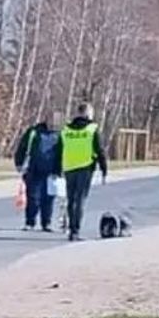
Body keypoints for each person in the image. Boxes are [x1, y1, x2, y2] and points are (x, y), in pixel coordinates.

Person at [58, 101, 108, 241]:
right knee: (80, 200)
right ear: (88, 113)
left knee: (71, 199)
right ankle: (75, 230)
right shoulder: (92, 129)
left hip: (69, 168)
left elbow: (58, 149)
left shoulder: (66, 130)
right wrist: (104, 168)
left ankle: (71, 229)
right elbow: (100, 150)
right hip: (85, 167)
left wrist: (57, 167)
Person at [12, 110, 63, 232]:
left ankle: (46, 223)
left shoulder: (60, 135)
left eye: (56, 121)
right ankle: (30, 222)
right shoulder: (34, 132)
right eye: (51, 120)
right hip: (34, 170)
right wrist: (19, 163)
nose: (53, 124)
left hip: (51, 172)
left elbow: (63, 153)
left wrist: (61, 170)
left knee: (48, 199)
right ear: (46, 119)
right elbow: (22, 147)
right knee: (33, 198)